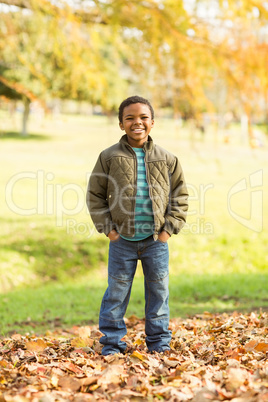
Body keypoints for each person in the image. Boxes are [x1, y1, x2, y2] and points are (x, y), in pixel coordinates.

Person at [87, 95, 188, 355]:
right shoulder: (108, 157)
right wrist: (109, 231)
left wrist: (167, 231)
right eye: (129, 118)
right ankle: (111, 344)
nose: (137, 123)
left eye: (143, 117)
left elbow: (180, 195)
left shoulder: (167, 158)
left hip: (156, 242)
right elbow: (95, 195)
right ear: (121, 124)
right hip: (122, 242)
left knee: (159, 294)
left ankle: (159, 344)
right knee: (116, 295)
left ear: (152, 122)